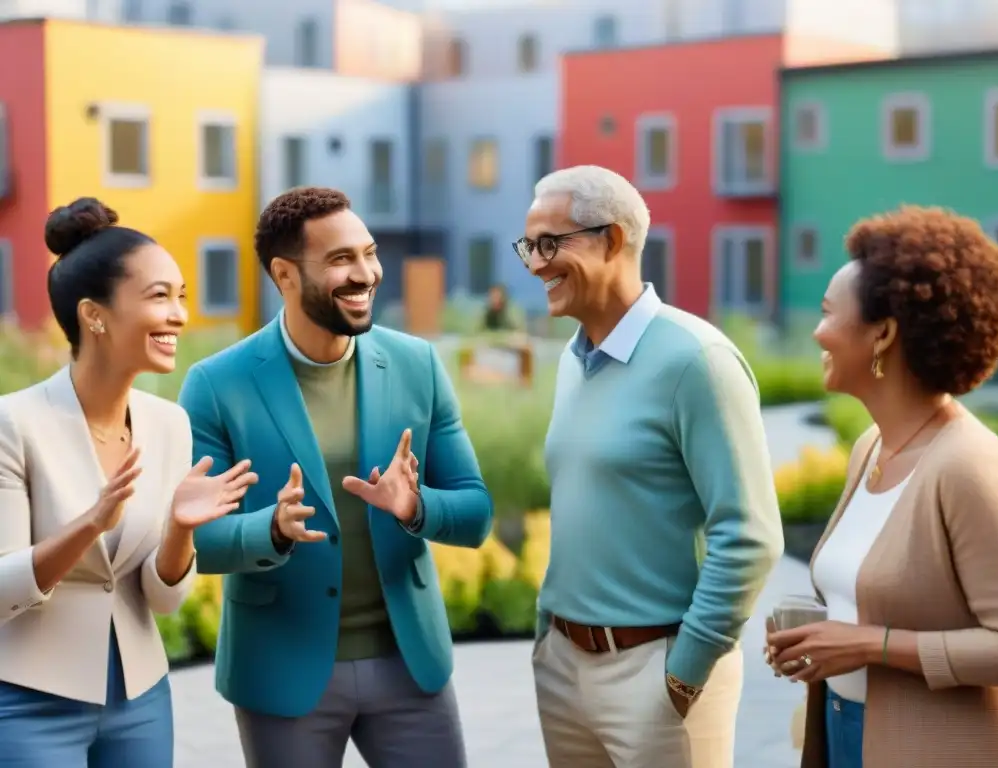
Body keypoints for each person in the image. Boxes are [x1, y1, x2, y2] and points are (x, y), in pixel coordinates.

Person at [177, 187, 493, 768]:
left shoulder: (417, 365)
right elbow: (197, 540)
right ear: (285, 274)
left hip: (409, 665)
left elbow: (475, 514)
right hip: (282, 670)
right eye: (341, 259)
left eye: (369, 253)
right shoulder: (216, 383)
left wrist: (416, 507)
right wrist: (269, 530)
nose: (366, 273)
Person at [519, 165, 784, 767]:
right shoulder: (572, 360)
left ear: (611, 240)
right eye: (529, 246)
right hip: (563, 667)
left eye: (550, 243)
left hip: (656, 672)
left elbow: (750, 536)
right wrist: (546, 637)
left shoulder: (698, 361)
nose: (535, 263)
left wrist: (684, 674)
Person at [0, 198, 257, 767]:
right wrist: (89, 523)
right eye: (159, 296)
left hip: (141, 697)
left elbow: (163, 600)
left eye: (181, 295)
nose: (179, 316)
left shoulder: (170, 424)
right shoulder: (14, 423)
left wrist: (179, 533)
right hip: (28, 700)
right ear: (94, 315)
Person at [766, 205, 998, 768]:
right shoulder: (872, 449)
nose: (816, 330)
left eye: (829, 313)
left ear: (882, 334)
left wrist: (871, 645)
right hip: (846, 732)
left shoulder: (968, 465)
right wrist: (816, 639)